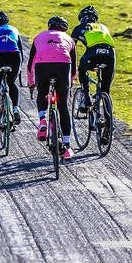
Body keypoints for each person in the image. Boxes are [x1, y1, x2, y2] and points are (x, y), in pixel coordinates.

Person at [27, 15, 77, 160]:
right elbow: (73, 66)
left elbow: (31, 63)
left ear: (49, 26)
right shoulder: (69, 39)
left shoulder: (39, 37)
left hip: (43, 65)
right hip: (63, 66)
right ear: (64, 29)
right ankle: (67, 146)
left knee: (42, 92)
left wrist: (31, 82)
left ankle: (43, 119)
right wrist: (71, 81)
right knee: (62, 106)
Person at [71, 6, 116, 143]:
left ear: (81, 18)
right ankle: (108, 126)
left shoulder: (80, 27)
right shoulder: (103, 27)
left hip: (93, 53)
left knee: (82, 69)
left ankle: (86, 98)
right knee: (105, 90)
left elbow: (70, 48)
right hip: (110, 54)